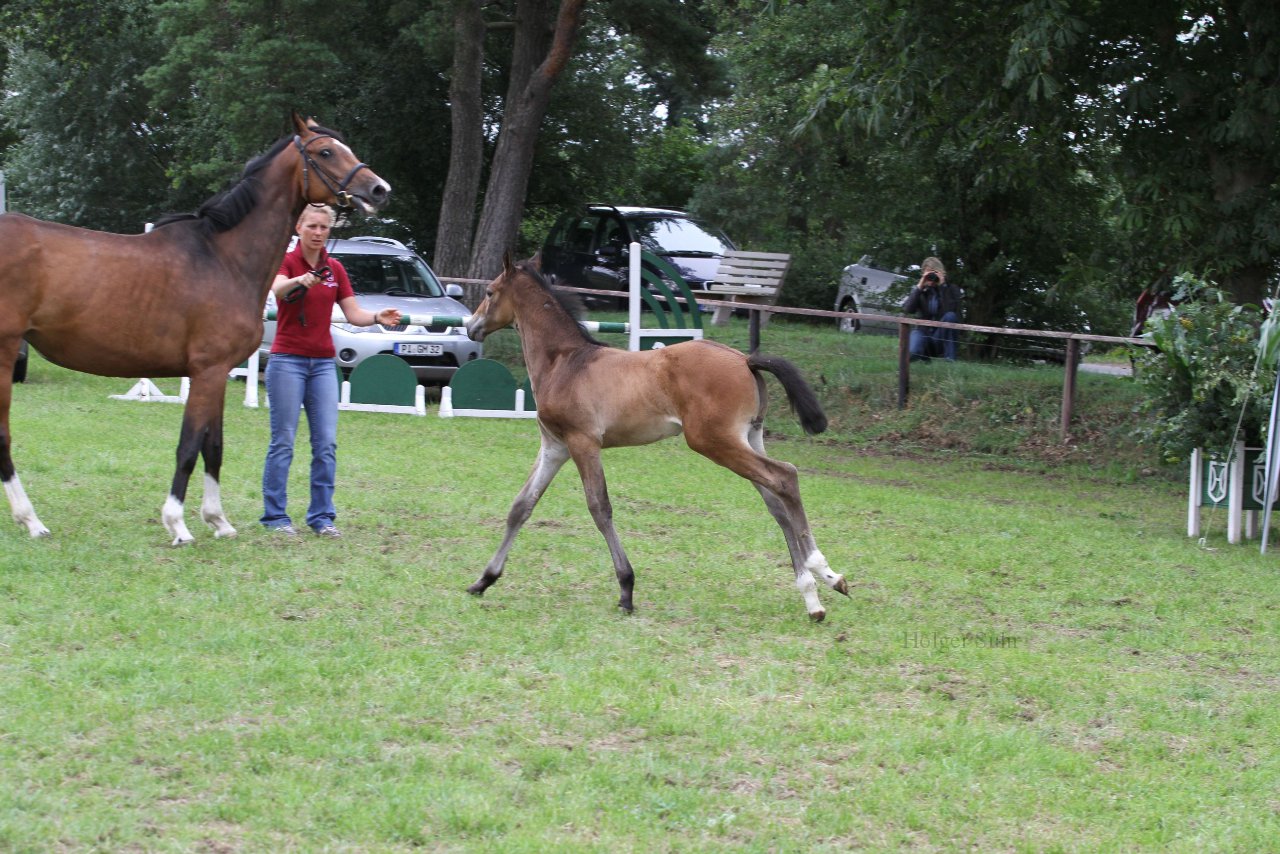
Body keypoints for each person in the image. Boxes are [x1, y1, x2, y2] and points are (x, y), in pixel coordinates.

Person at [261, 204, 402, 537]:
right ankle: (275, 517)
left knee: (325, 444)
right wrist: (302, 280)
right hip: (287, 361)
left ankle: (322, 517)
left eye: (324, 227)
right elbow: (279, 289)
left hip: (323, 363)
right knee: (283, 442)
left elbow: (353, 313)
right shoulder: (286, 262)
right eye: (312, 226)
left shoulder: (334, 268)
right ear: (299, 227)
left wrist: (377, 317)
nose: (318, 232)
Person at [902, 256, 963, 362]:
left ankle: (950, 359)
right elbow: (908, 309)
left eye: (933, 273)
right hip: (925, 336)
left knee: (950, 316)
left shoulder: (952, 289)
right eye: (928, 274)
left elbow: (951, 311)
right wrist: (919, 287)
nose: (931, 277)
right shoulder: (922, 292)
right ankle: (918, 358)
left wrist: (942, 286)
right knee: (916, 334)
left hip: (940, 337)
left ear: (941, 273)